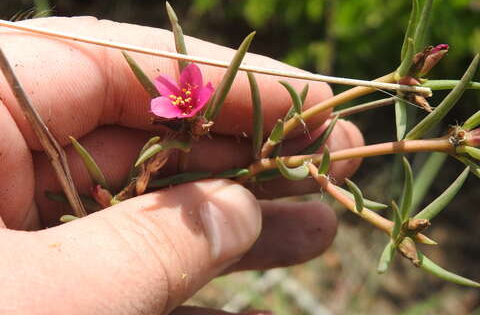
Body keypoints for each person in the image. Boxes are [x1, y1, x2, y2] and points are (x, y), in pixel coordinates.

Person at [0, 17, 363, 314]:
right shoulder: (173, 107)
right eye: (182, 102)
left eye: (190, 103)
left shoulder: (193, 102)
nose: (185, 101)